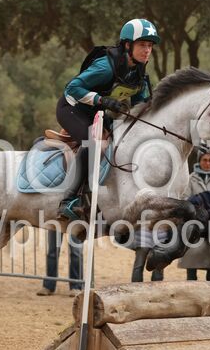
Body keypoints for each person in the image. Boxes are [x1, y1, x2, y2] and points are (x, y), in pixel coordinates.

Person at [56, 18, 160, 221]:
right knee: (93, 143)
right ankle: (68, 200)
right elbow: (72, 88)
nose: (147, 50)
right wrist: (101, 100)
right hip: (72, 108)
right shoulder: (106, 67)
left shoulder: (138, 72)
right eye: (142, 45)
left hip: (98, 114)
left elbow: (140, 106)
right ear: (127, 45)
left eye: (150, 46)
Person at [178, 151, 210, 280]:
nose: (207, 163)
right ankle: (191, 285)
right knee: (191, 261)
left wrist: (208, 201)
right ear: (199, 161)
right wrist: (201, 202)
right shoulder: (191, 178)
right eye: (204, 160)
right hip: (196, 223)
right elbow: (185, 198)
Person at [36, 230, 83, 297]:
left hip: (74, 223)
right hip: (56, 224)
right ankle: (48, 286)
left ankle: (76, 286)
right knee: (52, 252)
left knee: (76, 253)